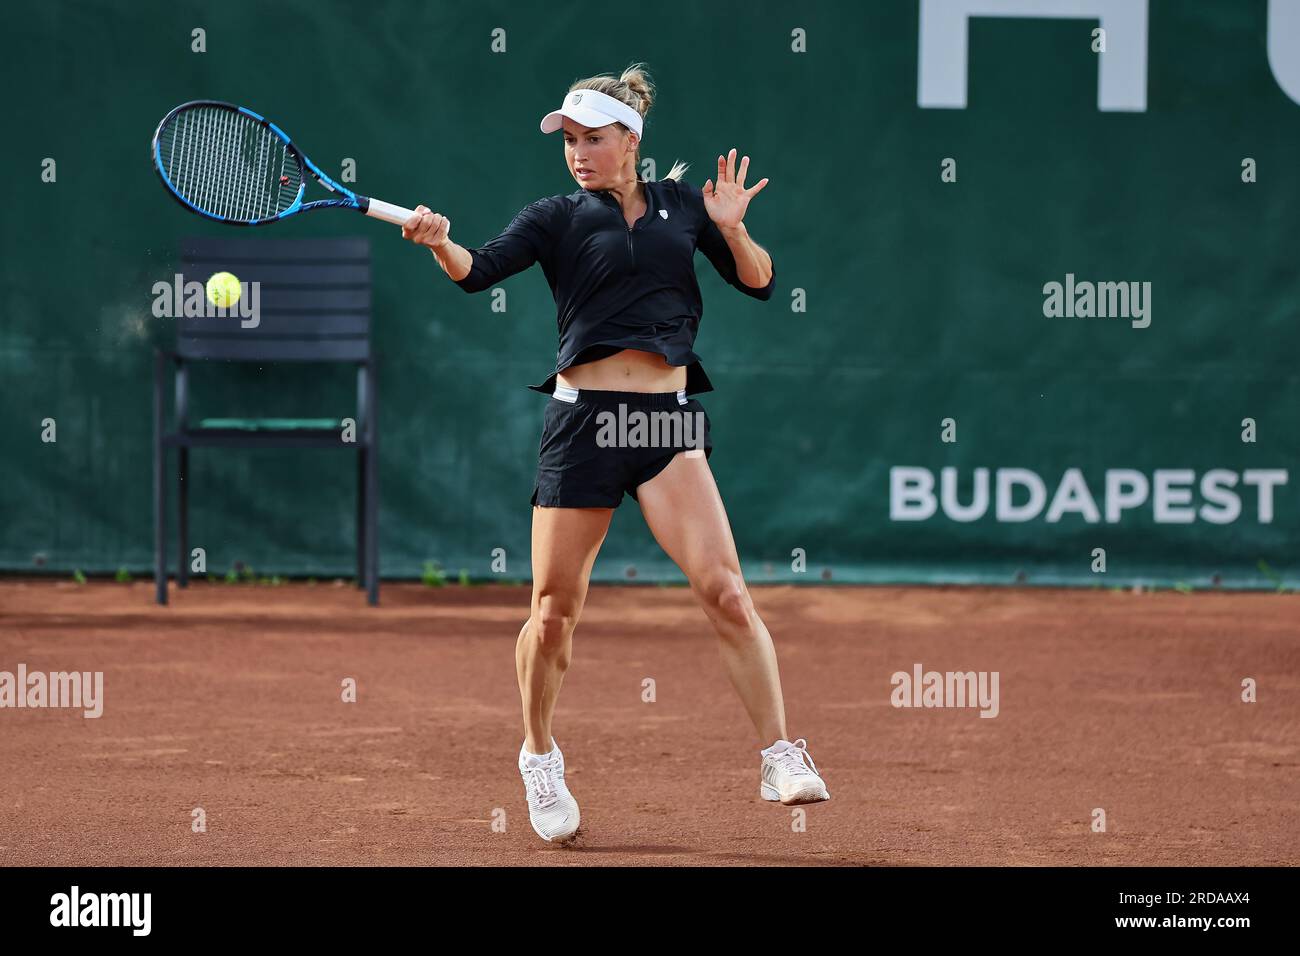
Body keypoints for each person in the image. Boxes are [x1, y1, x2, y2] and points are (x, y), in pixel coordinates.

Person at [401, 63, 829, 844]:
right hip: (583, 424)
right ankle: (538, 755)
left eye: (591, 139)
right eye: (569, 141)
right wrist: (440, 243)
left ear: (630, 139)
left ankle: (779, 753)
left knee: (728, 592)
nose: (578, 154)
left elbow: (761, 283)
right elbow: (476, 272)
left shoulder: (686, 210)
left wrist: (732, 227)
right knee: (554, 616)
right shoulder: (554, 217)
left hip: (665, 425)